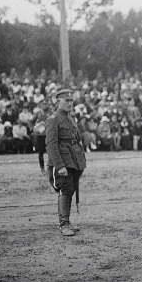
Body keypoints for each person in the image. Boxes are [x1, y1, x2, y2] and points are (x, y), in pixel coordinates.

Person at [45, 89, 87, 237]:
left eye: (71, 101)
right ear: (58, 102)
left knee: (70, 190)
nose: (70, 103)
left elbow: (77, 140)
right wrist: (60, 165)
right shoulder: (53, 119)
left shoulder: (70, 118)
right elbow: (51, 145)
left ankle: (67, 222)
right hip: (62, 162)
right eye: (66, 101)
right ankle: (63, 224)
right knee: (65, 190)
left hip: (74, 161)